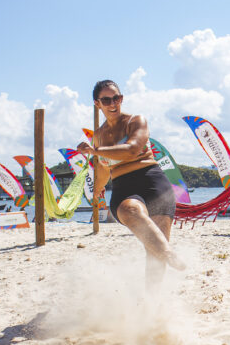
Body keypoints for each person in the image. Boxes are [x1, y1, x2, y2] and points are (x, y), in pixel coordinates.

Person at [77, 80, 186, 291]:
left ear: (121, 99)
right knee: (130, 210)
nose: (112, 103)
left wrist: (95, 152)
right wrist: (97, 191)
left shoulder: (136, 120)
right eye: (106, 99)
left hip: (152, 180)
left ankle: (152, 303)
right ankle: (168, 252)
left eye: (116, 98)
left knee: (152, 251)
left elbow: (132, 149)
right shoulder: (98, 136)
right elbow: (102, 169)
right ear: (97, 103)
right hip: (123, 185)